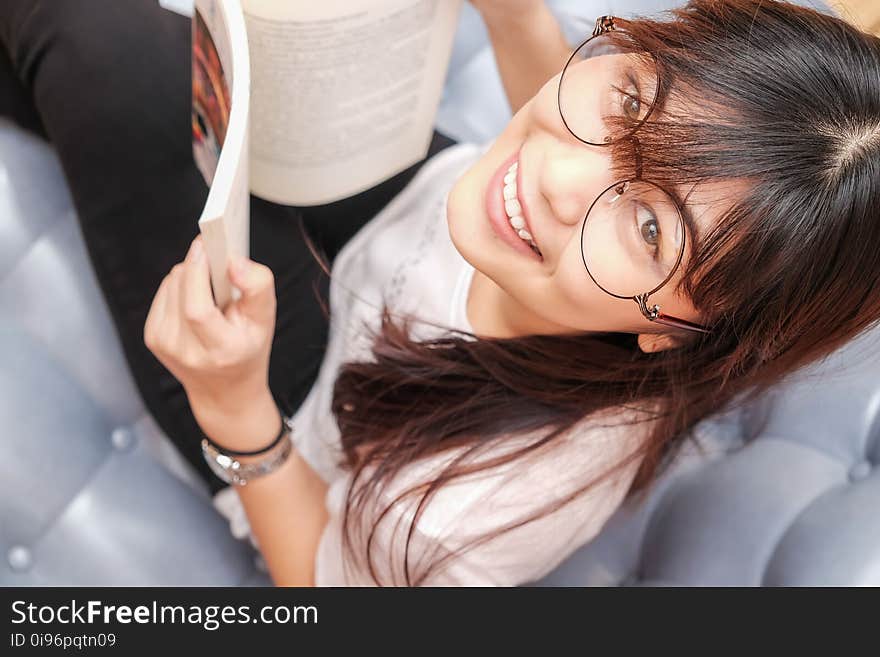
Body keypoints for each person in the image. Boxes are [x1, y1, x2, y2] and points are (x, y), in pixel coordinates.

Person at [4, 0, 880, 586]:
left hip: (294, 398)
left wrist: (234, 405)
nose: (558, 173)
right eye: (633, 98)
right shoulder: (552, 208)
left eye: (650, 228)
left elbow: (325, 579)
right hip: (401, 205)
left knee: (82, 37)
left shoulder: (464, 509)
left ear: (685, 332)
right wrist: (513, 17)